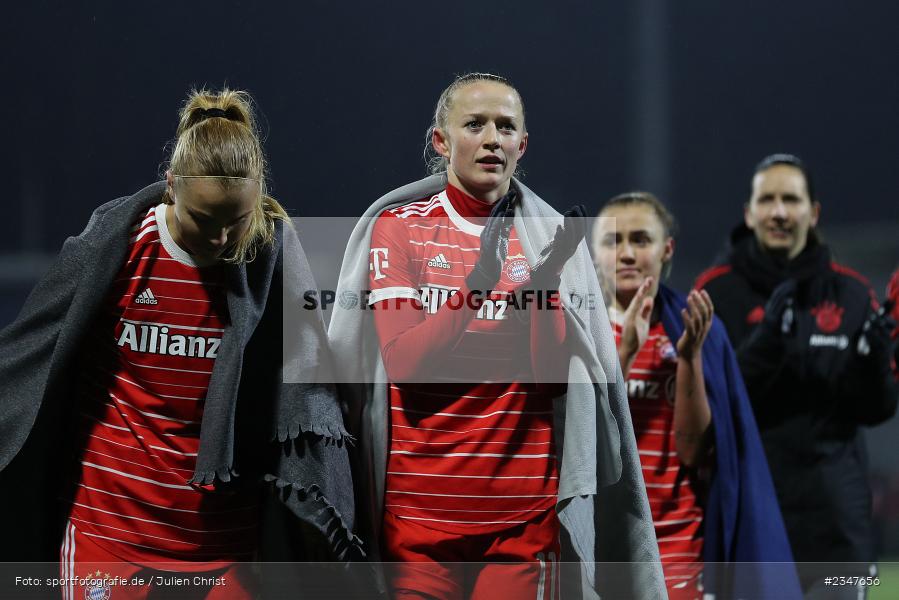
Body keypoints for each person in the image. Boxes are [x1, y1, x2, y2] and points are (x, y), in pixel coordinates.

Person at [0, 88, 359, 598]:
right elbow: (34, 353)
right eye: (203, 221)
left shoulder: (268, 264)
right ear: (170, 187)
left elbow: (310, 395)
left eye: (236, 222)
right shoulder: (120, 249)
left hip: (224, 546)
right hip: (111, 537)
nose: (219, 240)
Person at [328, 73, 664, 599]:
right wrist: (478, 288)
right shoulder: (399, 228)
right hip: (418, 523)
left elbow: (553, 383)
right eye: (475, 125)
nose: (492, 138)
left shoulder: (547, 237)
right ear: (441, 141)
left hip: (522, 522)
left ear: (522, 145)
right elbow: (405, 364)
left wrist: (544, 288)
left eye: (506, 127)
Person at [695, 154, 898, 596]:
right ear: (749, 213)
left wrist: (874, 362)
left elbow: (877, 409)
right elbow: (706, 411)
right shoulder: (714, 294)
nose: (780, 211)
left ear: (814, 211)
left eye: (791, 199)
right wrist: (766, 344)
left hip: (835, 533)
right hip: (747, 526)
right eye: (767, 199)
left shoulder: (851, 292)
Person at [593, 192, 800, 600]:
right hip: (594, 541)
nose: (627, 253)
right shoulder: (571, 327)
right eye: (613, 241)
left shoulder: (692, 328)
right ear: (592, 251)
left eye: (641, 239)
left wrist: (689, 356)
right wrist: (625, 355)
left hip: (673, 545)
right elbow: (575, 443)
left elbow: (692, 453)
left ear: (666, 249)